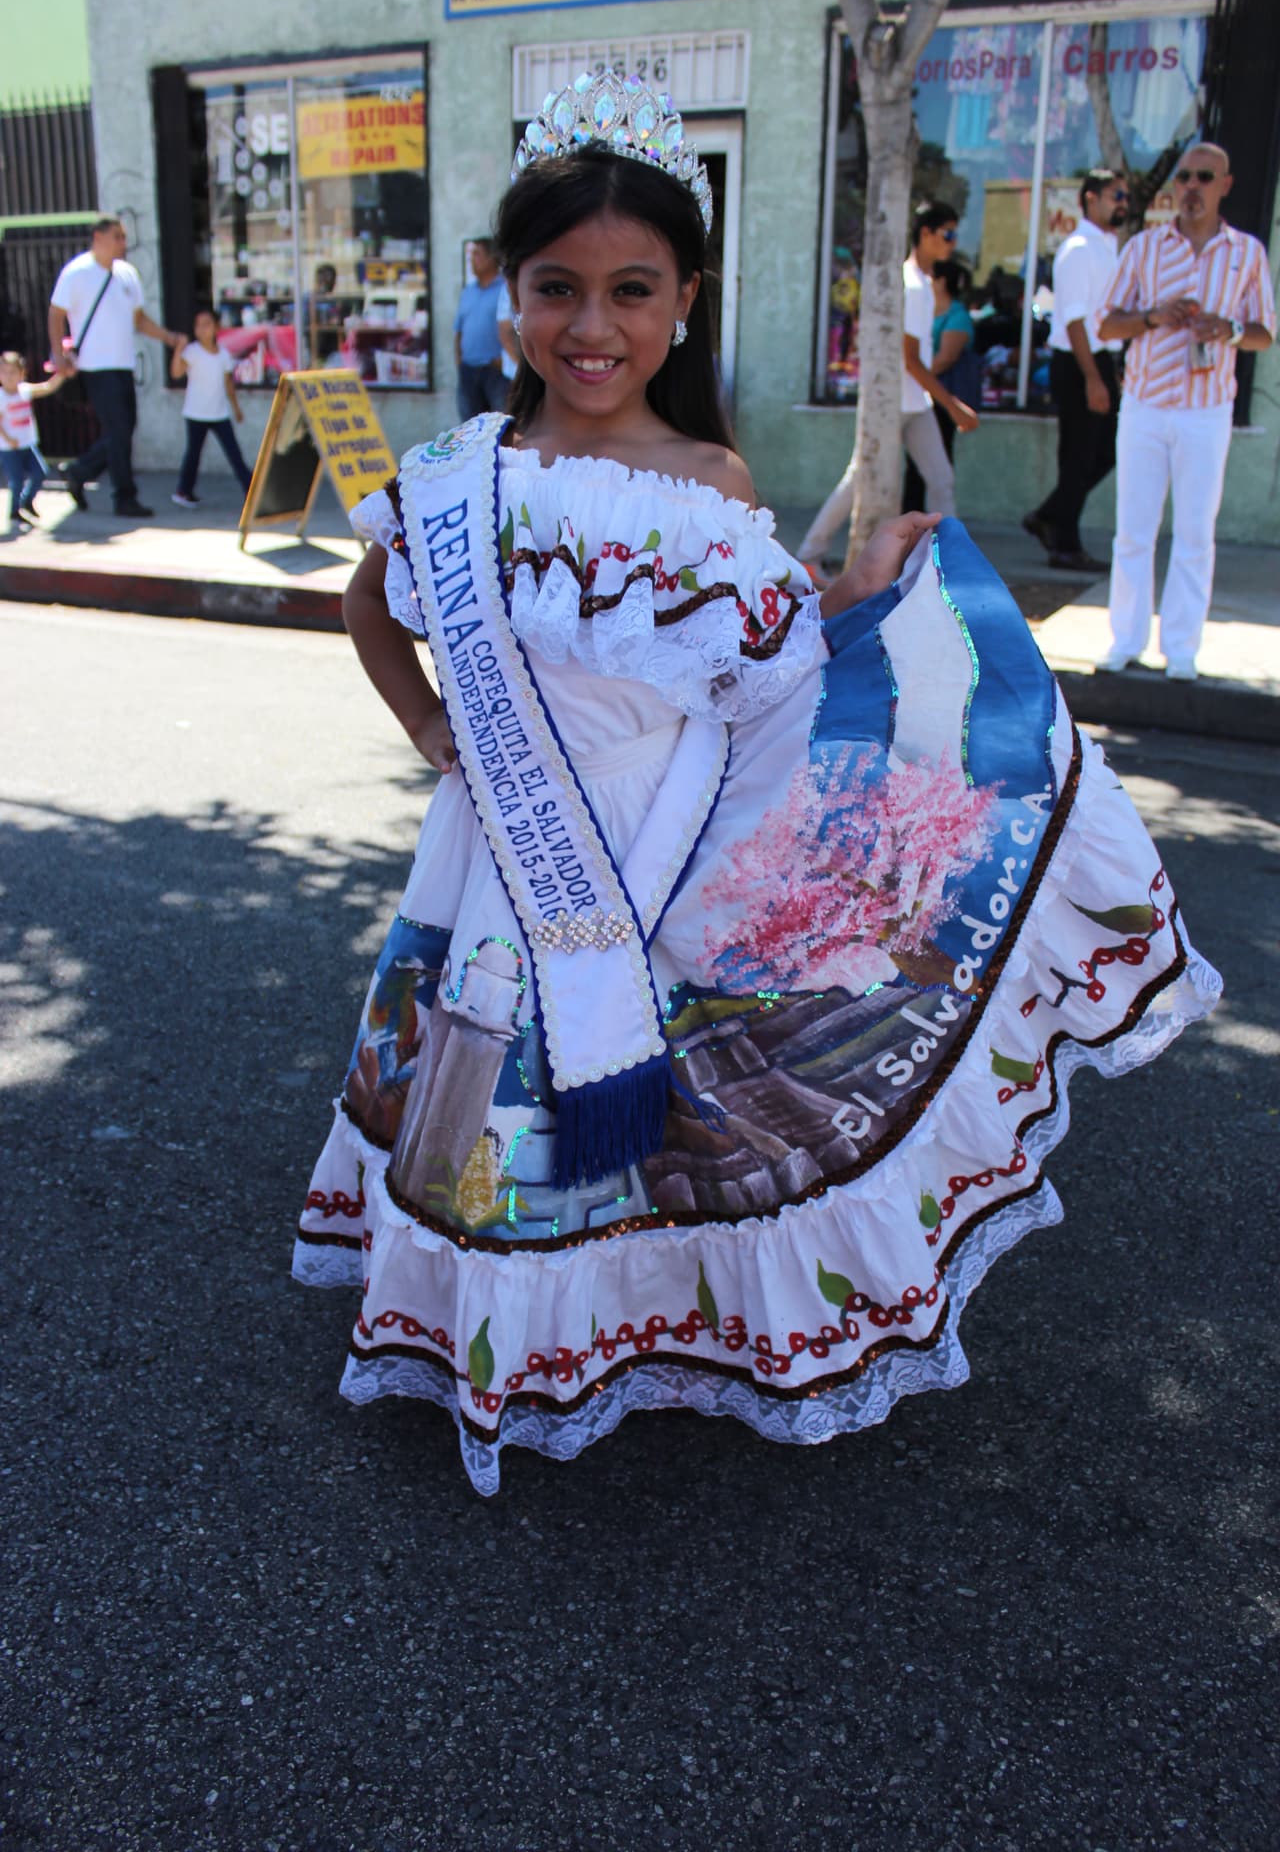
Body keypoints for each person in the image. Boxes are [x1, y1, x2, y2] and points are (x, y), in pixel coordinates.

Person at [293, 72, 1219, 1496]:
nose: (591, 328)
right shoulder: (459, 473)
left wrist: (850, 595)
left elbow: (769, 669)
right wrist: (430, 727)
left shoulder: (710, 479)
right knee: (500, 1081)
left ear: (684, 300)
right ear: (507, 291)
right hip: (504, 846)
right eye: (556, 288)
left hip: (665, 829)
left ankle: (644, 1315)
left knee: (659, 1088)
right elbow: (369, 602)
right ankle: (497, 1327)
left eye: (631, 290)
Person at [1096, 142, 1275, 679]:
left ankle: (1182, 650)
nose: (1192, 186)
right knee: (1133, 529)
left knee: (1196, 531)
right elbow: (1106, 323)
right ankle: (1125, 640)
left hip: (1206, 409)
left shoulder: (1247, 253)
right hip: (1146, 403)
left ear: (1225, 185)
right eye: (1185, 177)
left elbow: (1264, 333)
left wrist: (1229, 330)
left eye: (1204, 177)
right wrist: (1154, 317)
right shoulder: (1145, 248)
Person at [797, 201, 979, 570]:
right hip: (892, 404)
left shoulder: (925, 283)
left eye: (955, 235)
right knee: (857, 480)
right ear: (925, 234)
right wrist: (953, 405)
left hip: (917, 405)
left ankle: (953, 563)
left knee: (941, 479)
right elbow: (910, 359)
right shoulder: (910, 285)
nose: (952, 242)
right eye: (947, 234)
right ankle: (808, 557)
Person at [1023, 170, 1128, 573]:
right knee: (1080, 457)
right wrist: (1093, 377)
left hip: (1099, 360)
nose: (1122, 202)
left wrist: (1107, 371)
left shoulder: (1106, 247)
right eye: (1115, 195)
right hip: (1079, 361)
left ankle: (1050, 516)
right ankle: (1063, 543)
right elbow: (1074, 319)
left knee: (1103, 453)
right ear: (1090, 198)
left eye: (1125, 196)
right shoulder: (1079, 248)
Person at [48, 215, 184, 517]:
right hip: (96, 367)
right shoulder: (77, 272)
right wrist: (58, 354)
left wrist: (168, 337)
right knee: (119, 431)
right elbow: (56, 314)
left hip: (124, 364)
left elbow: (139, 320)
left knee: (124, 430)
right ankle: (124, 497)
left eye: (124, 236)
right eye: (117, 236)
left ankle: (80, 471)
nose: (123, 243)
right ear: (98, 237)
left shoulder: (127, 274)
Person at [903, 256, 979, 511]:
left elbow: (945, 358)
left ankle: (941, 539)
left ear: (942, 281)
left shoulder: (957, 315)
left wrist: (915, 373)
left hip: (941, 399)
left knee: (938, 476)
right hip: (919, 397)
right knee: (916, 473)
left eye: (932, 276)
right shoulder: (922, 306)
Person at [169, 307, 254, 507]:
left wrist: (236, 408)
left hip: (219, 413)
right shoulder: (192, 352)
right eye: (198, 325)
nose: (202, 329)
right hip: (195, 413)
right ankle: (183, 491)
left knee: (234, 453)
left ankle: (250, 491)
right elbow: (176, 373)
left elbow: (228, 384)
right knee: (193, 454)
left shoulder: (224, 355)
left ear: (216, 328)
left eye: (207, 324)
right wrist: (179, 349)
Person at [0, 350, 66, 530]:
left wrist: (61, 374)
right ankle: (14, 512)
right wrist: (8, 438)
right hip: (9, 447)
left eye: (13, 372)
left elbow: (47, 387)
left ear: (22, 374)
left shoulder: (25, 390)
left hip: (27, 444)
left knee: (41, 472)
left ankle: (26, 501)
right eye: (4, 372)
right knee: (17, 480)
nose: (8, 377)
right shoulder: (1, 397)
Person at [453, 237, 507, 421]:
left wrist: (506, 359)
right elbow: (458, 330)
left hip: (495, 372)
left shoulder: (506, 290)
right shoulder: (468, 291)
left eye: (477, 255)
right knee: (468, 432)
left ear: (492, 258)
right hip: (468, 370)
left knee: (499, 429)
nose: (472, 260)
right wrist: (459, 361)